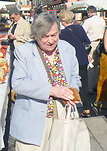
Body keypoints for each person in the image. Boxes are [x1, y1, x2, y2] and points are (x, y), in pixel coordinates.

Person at [10, 12, 81, 150]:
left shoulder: (68, 49)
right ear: (35, 35)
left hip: (62, 114)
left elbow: (75, 76)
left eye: (54, 35)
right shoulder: (23, 51)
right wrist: (52, 90)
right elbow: (18, 83)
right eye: (45, 36)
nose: (50, 40)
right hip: (33, 119)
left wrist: (73, 89)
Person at [58, 10, 92, 117]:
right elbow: (88, 42)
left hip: (71, 60)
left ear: (63, 20)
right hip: (82, 58)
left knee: (71, 82)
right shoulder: (79, 28)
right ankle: (87, 107)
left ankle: (72, 103)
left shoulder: (62, 33)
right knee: (84, 83)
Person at [82, 5, 106, 93]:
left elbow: (83, 33)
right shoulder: (102, 20)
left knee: (90, 66)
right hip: (100, 43)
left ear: (89, 12)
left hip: (91, 43)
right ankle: (96, 84)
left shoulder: (88, 21)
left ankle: (90, 87)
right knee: (97, 66)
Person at [7, 7, 31, 76]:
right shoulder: (14, 23)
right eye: (11, 18)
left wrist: (15, 37)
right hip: (13, 48)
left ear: (18, 15)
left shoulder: (25, 24)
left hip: (20, 50)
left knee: (19, 68)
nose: (12, 20)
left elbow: (27, 38)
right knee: (13, 67)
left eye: (13, 18)